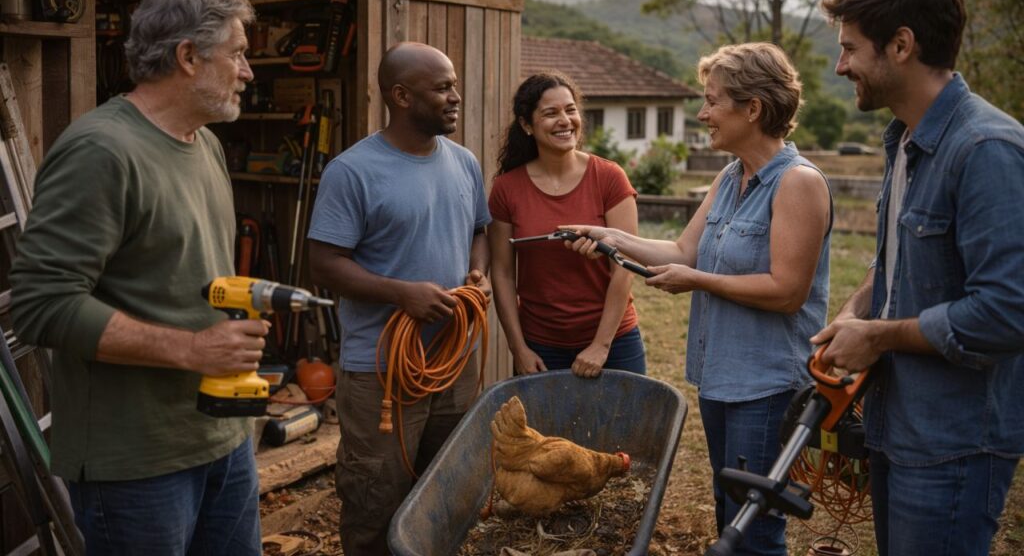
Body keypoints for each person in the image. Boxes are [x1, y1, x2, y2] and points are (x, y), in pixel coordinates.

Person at [9, 0, 265, 553]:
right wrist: (194, 350)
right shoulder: (102, 150)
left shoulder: (205, 145)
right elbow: (40, 304)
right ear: (188, 56)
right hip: (138, 464)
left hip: (223, 437)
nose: (247, 71)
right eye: (238, 53)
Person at [565, 43, 832, 555]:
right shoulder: (731, 177)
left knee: (753, 530)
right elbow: (683, 248)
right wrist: (607, 237)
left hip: (768, 386)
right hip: (720, 379)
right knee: (728, 515)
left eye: (712, 102)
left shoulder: (798, 184)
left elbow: (787, 292)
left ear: (752, 109)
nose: (703, 114)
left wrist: (699, 280)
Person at [814, 0, 1024, 554]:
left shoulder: (986, 150)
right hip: (898, 428)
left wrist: (878, 336)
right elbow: (902, 264)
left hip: (952, 445)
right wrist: (856, 311)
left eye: (851, 48)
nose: (840, 66)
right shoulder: (907, 142)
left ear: (901, 45)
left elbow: (1006, 314)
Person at [306, 42, 491, 555]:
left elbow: (479, 229)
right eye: (443, 88)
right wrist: (399, 293)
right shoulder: (353, 171)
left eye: (454, 84)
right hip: (382, 372)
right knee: (375, 499)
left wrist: (479, 271)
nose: (455, 96)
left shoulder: (464, 162)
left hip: (452, 362)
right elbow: (322, 265)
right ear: (402, 96)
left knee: (446, 489)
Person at [488, 72, 645, 378]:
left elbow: (625, 266)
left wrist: (600, 346)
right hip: (541, 347)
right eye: (550, 113)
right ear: (526, 125)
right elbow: (503, 273)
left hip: (615, 342)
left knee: (624, 428)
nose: (565, 120)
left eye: (570, 110)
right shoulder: (507, 189)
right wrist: (518, 348)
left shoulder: (610, 178)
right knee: (544, 429)